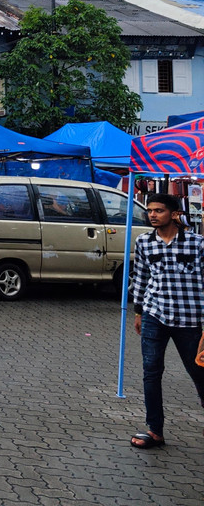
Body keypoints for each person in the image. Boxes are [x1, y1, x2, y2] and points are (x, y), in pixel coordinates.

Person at [128, 192, 204, 449]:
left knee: (199, 371)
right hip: (154, 315)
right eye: (150, 210)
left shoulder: (197, 244)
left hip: (189, 319)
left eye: (158, 210)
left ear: (174, 214)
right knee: (151, 372)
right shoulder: (144, 242)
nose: (152, 214)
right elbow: (140, 277)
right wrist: (138, 312)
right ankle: (155, 430)